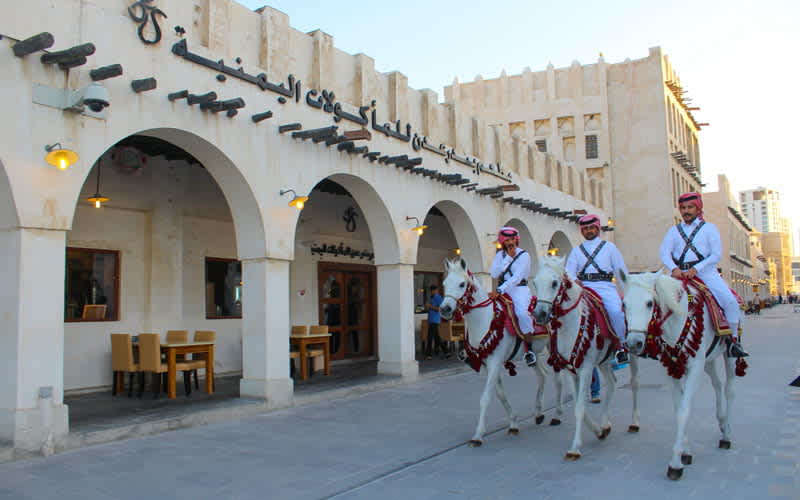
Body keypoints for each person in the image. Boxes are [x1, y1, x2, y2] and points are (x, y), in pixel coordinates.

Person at [659, 192, 748, 357]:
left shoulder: (709, 228)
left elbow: (716, 254)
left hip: (706, 275)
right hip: (679, 275)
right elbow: (664, 253)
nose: (686, 211)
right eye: (683, 208)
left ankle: (733, 342)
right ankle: (657, 340)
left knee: (730, 302)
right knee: (658, 302)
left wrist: (696, 269)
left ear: (698, 208)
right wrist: (673, 268)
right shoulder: (674, 231)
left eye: (690, 207)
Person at [566, 214, 630, 364]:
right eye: (585, 228)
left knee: (616, 312)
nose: (589, 231)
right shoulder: (576, 251)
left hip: (605, 288)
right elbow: (568, 271)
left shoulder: (610, 248)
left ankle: (621, 346)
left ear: (597, 229)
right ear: (582, 231)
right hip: (583, 289)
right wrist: (575, 280)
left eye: (591, 228)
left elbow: (621, 271)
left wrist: (627, 291)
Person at [488, 226, 537, 367]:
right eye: (507, 240)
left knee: (521, 313)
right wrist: (508, 258)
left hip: (519, 290)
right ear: (502, 241)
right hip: (503, 290)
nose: (510, 242)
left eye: (512, 239)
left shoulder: (524, 255)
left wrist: (500, 289)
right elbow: (494, 274)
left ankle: (529, 349)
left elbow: (516, 278)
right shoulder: (500, 256)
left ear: (517, 240)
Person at [425, 284, 446, 359]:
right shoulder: (432, 298)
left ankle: (428, 354)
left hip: (435, 320)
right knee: (437, 337)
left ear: (435, 290)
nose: (432, 292)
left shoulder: (438, 297)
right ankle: (446, 352)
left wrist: (429, 306)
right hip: (431, 320)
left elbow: (440, 309)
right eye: (431, 291)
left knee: (430, 337)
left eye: (433, 291)